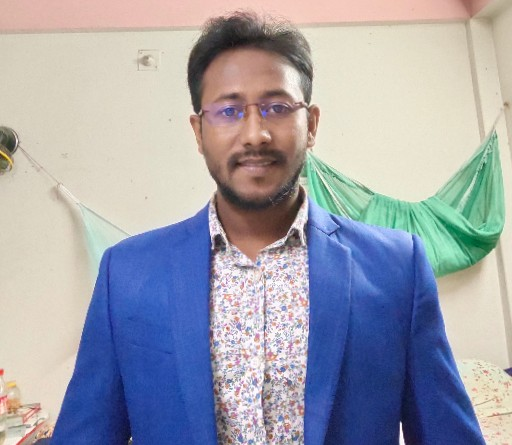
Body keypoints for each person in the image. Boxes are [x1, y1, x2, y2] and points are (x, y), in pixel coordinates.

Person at [51, 10, 485, 445]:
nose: (255, 134)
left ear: (311, 125)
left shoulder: (396, 268)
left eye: (277, 108)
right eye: (229, 111)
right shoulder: (128, 275)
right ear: (198, 132)